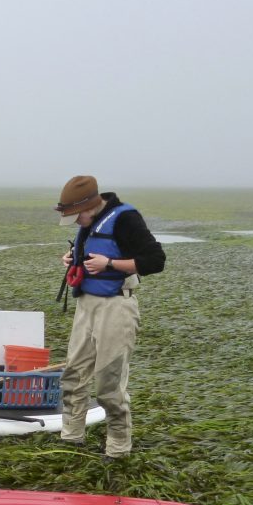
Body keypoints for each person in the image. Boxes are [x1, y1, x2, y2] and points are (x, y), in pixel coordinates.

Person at [54, 175, 165, 460]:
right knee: (73, 375)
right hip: (86, 305)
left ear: (90, 206)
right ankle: (71, 436)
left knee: (108, 383)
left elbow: (155, 261)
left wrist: (110, 264)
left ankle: (117, 448)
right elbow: (92, 247)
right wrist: (72, 257)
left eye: (77, 217)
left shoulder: (126, 218)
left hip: (116, 307)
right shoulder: (90, 221)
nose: (77, 222)